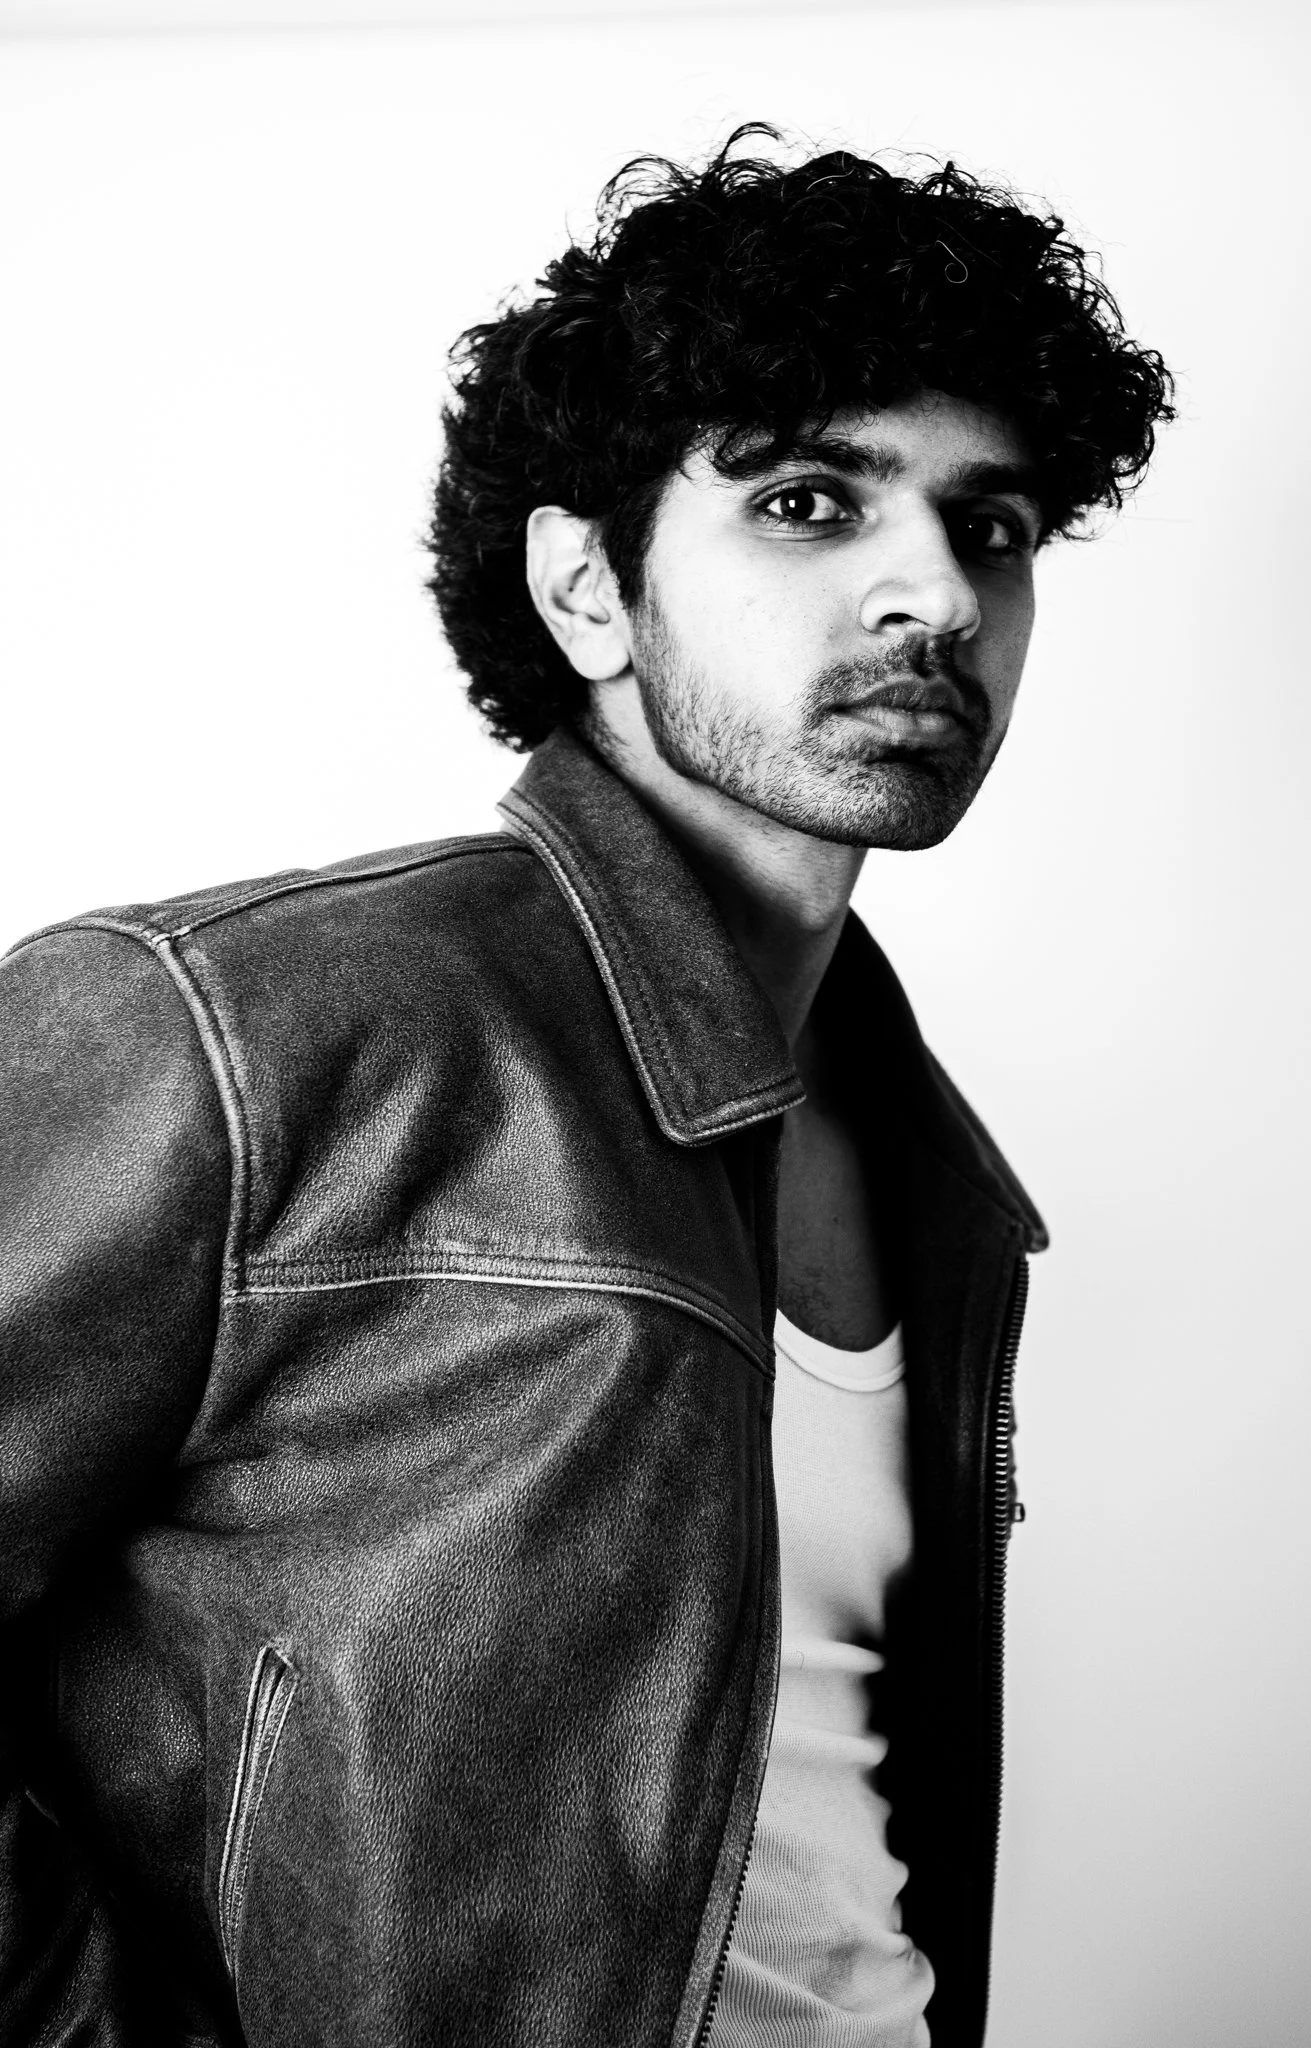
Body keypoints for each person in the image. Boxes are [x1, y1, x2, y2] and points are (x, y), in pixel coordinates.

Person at [0, 126, 1172, 2048]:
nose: (938, 600)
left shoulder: (943, 1182)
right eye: (809, 504)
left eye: (994, 525)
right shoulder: (242, 1026)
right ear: (587, 592)